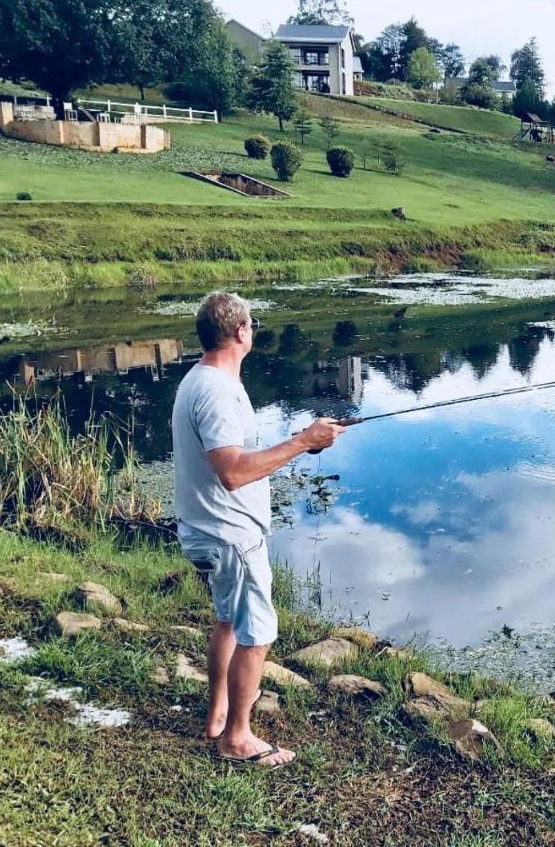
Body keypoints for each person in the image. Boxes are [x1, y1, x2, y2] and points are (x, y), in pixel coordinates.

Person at [172, 292, 344, 766]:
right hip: (230, 536)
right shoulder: (217, 392)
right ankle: (237, 738)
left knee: (228, 620)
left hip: (215, 531)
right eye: (252, 324)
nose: (254, 331)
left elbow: (237, 459)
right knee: (258, 631)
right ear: (241, 332)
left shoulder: (205, 379)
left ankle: (218, 719)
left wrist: (302, 445)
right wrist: (303, 439)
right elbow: (232, 472)